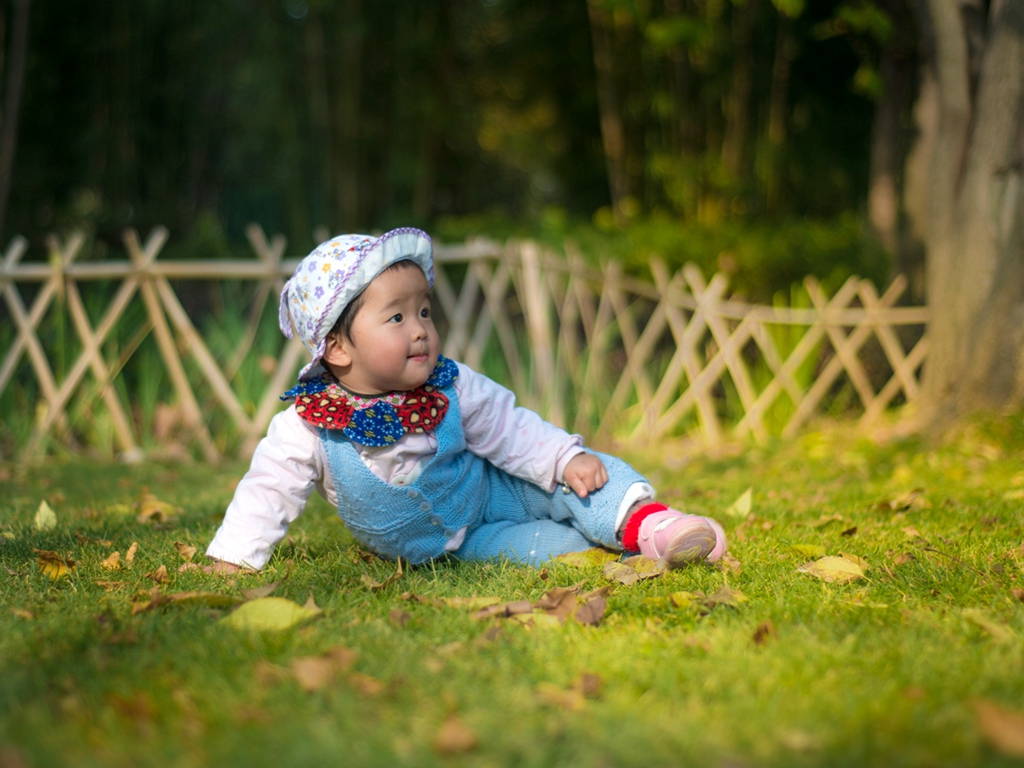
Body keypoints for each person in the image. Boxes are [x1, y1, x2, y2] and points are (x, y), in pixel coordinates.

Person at [205, 228, 726, 572]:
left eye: (425, 312)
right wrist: (233, 558)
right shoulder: (308, 425)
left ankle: (655, 525)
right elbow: (268, 490)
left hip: (496, 491)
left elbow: (510, 427)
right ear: (337, 347)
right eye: (397, 318)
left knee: (584, 481)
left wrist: (563, 457)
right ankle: (624, 553)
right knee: (546, 552)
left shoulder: (451, 385)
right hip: (457, 547)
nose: (421, 331)